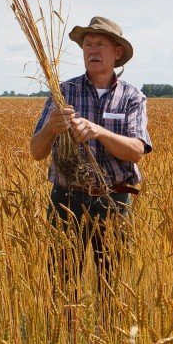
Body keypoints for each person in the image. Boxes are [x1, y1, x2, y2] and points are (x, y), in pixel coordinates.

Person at [30, 16, 152, 314]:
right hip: (66, 199)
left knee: (110, 284)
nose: (92, 51)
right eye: (88, 45)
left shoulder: (132, 98)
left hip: (114, 200)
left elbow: (136, 150)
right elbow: (36, 151)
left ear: (117, 52)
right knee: (62, 282)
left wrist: (98, 131)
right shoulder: (63, 93)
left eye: (100, 45)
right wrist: (50, 129)